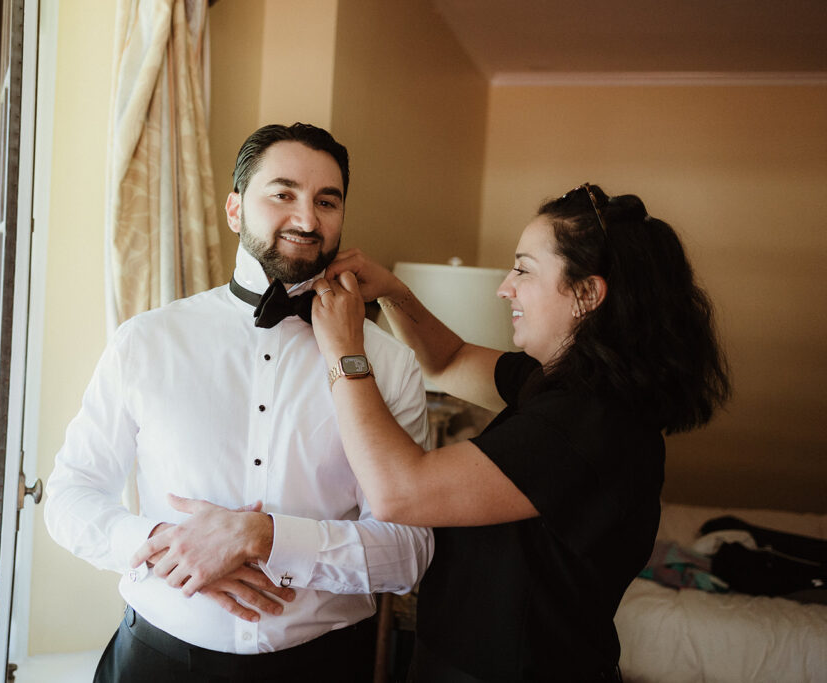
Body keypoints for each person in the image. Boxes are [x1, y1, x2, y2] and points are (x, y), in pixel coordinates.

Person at [44, 123, 433, 683]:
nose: (306, 219)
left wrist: (268, 539)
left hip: (324, 667)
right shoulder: (147, 341)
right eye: (283, 194)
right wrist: (168, 546)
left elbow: (408, 553)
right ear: (234, 210)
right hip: (156, 661)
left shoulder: (390, 365)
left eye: (327, 201)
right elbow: (69, 494)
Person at [309, 183, 732, 682]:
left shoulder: (589, 421)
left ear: (586, 294)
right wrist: (394, 293)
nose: (504, 287)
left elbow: (401, 491)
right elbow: (447, 362)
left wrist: (344, 352)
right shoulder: (565, 383)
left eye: (524, 270)